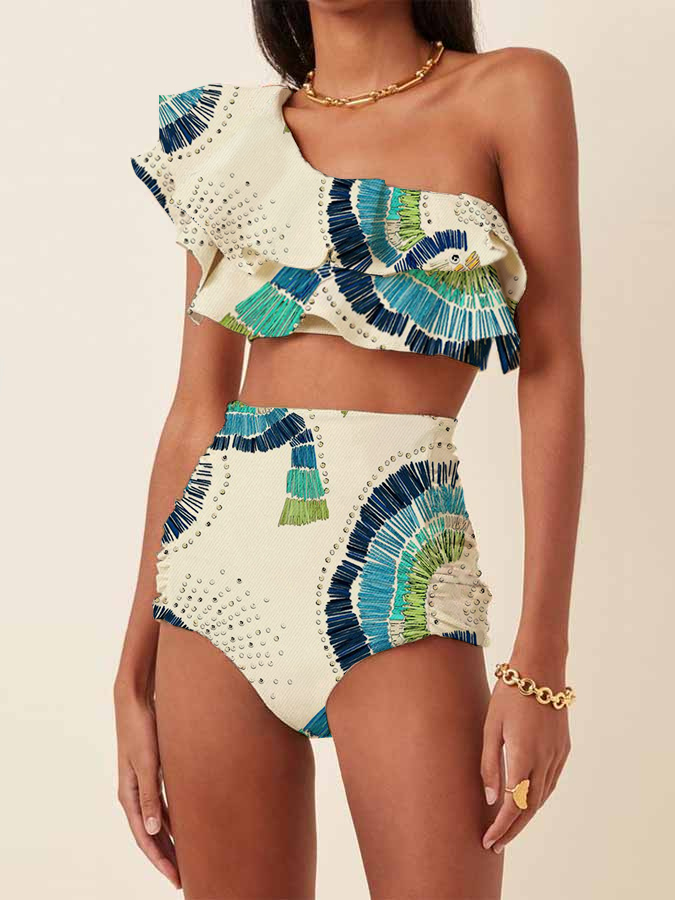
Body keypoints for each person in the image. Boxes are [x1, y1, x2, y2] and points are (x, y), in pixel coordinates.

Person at [115, 1, 583, 896]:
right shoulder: (231, 137)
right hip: (211, 587)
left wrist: (541, 668)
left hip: (402, 570)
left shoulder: (512, 89)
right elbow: (197, 408)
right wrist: (131, 678)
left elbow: (553, 369)